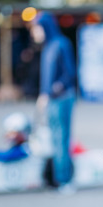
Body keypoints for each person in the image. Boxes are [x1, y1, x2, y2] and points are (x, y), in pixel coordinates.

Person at [30, 11, 77, 194]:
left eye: (36, 28)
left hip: (62, 98)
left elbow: (70, 74)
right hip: (51, 99)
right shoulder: (48, 47)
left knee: (61, 138)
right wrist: (44, 94)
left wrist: (51, 92)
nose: (34, 32)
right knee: (53, 138)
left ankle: (65, 180)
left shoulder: (61, 45)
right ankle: (57, 178)